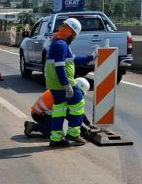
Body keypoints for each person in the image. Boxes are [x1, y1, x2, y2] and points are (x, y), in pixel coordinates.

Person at [44, 18, 95, 147]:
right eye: (75, 35)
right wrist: (67, 85)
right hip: (64, 83)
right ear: (71, 33)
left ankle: (56, 139)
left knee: (59, 110)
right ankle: (73, 133)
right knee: (78, 103)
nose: (75, 38)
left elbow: (74, 59)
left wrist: (91, 57)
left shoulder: (57, 43)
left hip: (54, 84)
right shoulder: (61, 44)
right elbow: (59, 66)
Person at [24, 77, 94, 138]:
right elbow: (71, 115)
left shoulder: (63, 89)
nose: (80, 95)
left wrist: (88, 124)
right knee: (53, 132)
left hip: (44, 112)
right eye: (80, 92)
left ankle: (43, 126)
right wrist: (81, 128)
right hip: (39, 114)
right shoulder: (66, 94)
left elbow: (77, 113)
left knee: (58, 130)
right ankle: (32, 126)